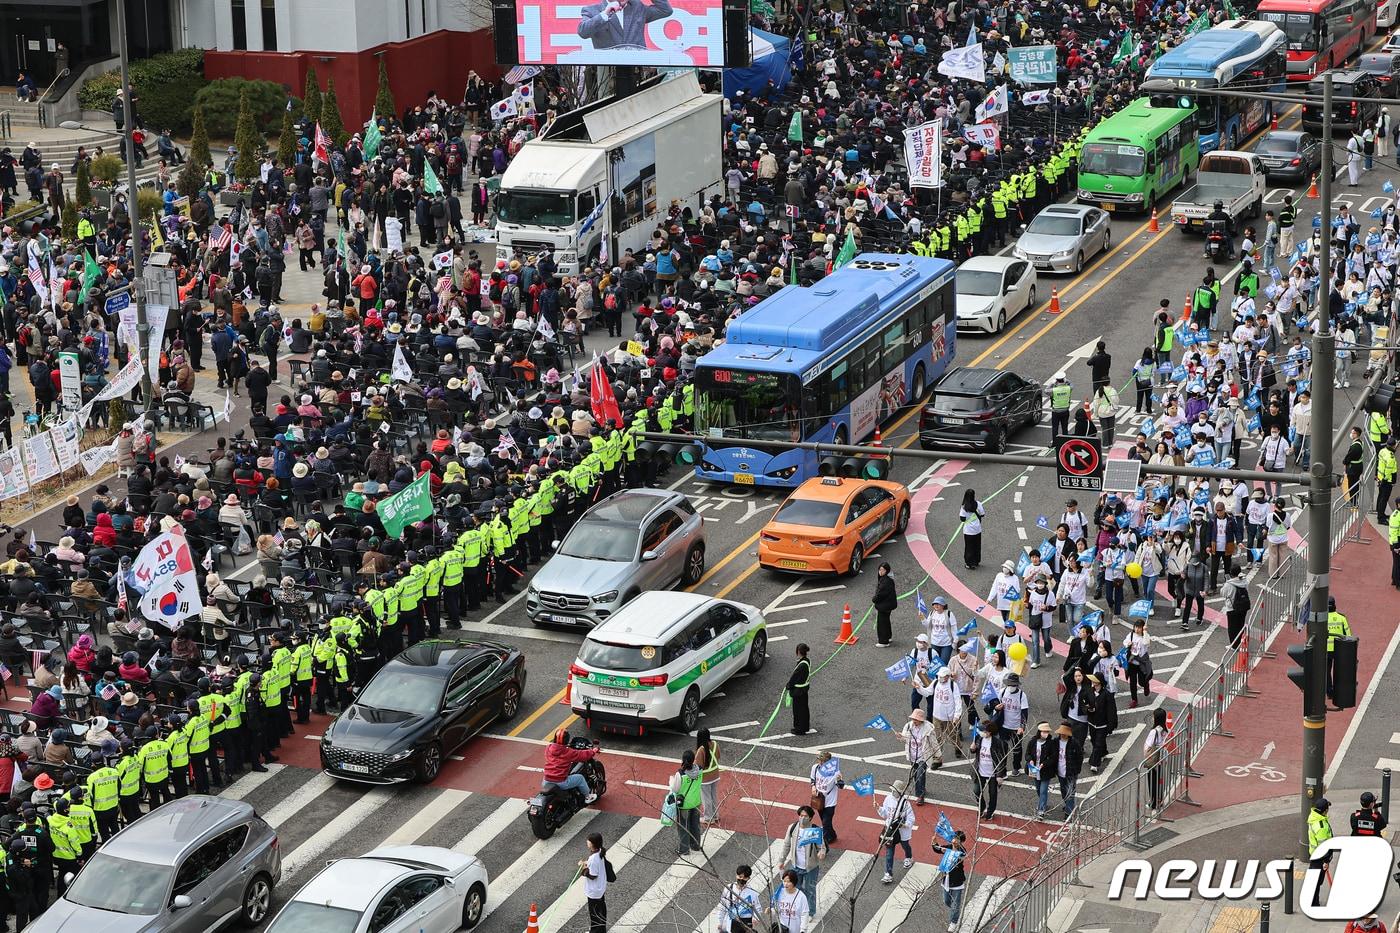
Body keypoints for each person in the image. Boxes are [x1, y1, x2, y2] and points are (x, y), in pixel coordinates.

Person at [779, 805, 825, 918]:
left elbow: (821, 847)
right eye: (801, 815)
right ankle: (801, 908)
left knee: (810, 890)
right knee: (796, 888)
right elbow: (787, 844)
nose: (802, 818)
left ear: (810, 818)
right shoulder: (793, 828)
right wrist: (782, 860)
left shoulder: (814, 830)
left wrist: (821, 852)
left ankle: (810, 912)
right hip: (796, 866)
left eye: (805, 816)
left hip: (810, 867)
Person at [576, 0, 674, 50]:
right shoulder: (592, 10)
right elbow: (583, 32)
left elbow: (665, 10)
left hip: (637, 67)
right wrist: (605, 14)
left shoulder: (637, 7)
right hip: (609, 69)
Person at [542, 729, 598, 803]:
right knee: (580, 778)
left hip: (546, 780)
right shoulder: (568, 752)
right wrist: (593, 751)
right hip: (561, 781)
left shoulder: (548, 748)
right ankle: (588, 797)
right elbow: (583, 755)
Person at [970, 718, 1008, 821]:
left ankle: (990, 812)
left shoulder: (998, 743)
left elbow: (1001, 760)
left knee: (992, 793)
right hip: (980, 770)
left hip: (993, 773)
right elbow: (974, 751)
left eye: (984, 731)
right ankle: (981, 808)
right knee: (977, 791)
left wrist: (999, 775)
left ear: (989, 732)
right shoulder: (978, 738)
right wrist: (972, 748)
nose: (982, 733)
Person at [877, 780, 914, 884]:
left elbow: (911, 818)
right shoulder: (888, 798)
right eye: (893, 791)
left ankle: (909, 857)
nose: (894, 793)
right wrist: (878, 808)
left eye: (896, 791)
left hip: (902, 830)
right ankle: (888, 873)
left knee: (905, 845)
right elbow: (885, 814)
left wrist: (905, 825)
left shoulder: (906, 803)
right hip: (890, 829)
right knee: (889, 851)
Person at [930, 829, 968, 932]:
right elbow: (939, 849)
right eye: (954, 838)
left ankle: (953, 922)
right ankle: (955, 911)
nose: (955, 841)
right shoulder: (948, 847)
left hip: (957, 881)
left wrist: (953, 850)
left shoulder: (962, 851)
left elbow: (961, 856)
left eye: (957, 839)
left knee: (955, 904)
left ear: (961, 841)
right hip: (946, 879)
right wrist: (934, 843)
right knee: (947, 901)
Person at [669, 749, 703, 856]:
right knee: (695, 825)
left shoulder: (680, 774)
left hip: (684, 805)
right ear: (693, 760)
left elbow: (675, 789)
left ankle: (684, 849)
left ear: (683, 760)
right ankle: (696, 845)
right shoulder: (700, 770)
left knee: (684, 826)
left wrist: (671, 780)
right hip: (696, 802)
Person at [715, 865, 761, 933]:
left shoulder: (752, 893)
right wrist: (720, 922)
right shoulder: (728, 889)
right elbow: (722, 906)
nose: (741, 879)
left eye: (745, 878)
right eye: (740, 877)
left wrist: (755, 919)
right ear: (736, 875)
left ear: (748, 878)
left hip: (746, 924)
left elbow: (757, 907)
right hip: (731, 922)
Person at [578, 832, 608, 933]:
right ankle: (602, 930)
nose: (587, 842)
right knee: (601, 910)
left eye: (589, 841)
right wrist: (587, 863)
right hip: (600, 888)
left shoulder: (594, 858)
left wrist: (583, 870)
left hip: (594, 891)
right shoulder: (600, 852)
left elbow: (593, 875)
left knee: (594, 913)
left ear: (593, 844)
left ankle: (595, 931)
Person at [1307, 798, 1335, 906]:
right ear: (1324, 811)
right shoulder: (1321, 826)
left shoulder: (1313, 817)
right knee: (1317, 882)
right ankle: (1314, 904)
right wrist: (1326, 861)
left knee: (1315, 881)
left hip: (1314, 855)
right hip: (1319, 858)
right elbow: (1324, 846)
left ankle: (1313, 902)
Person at [809, 750, 841, 844]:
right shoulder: (815, 768)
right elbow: (812, 779)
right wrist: (813, 787)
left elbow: (841, 786)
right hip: (819, 799)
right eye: (819, 760)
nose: (820, 762)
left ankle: (825, 842)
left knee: (826, 822)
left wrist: (839, 780)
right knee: (824, 820)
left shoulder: (835, 772)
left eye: (823, 761)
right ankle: (833, 835)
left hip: (830, 801)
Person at [1143, 708, 1169, 811]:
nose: (1153, 718)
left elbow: (1148, 745)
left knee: (1152, 781)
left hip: (1153, 759)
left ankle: (1153, 803)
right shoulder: (1164, 730)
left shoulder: (1154, 731)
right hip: (1162, 758)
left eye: (1154, 716)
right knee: (1159, 780)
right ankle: (1160, 800)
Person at [695, 728, 721, 825]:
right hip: (715, 774)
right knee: (713, 795)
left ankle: (708, 818)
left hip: (705, 778)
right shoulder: (715, 744)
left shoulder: (701, 749)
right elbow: (718, 756)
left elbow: (697, 765)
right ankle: (715, 815)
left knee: (706, 798)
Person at [786, 643, 812, 735]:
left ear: (798, 652)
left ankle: (799, 729)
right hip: (804, 690)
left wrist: (788, 686)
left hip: (798, 691)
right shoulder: (807, 661)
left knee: (798, 710)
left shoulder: (801, 665)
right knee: (804, 709)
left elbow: (794, 679)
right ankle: (805, 726)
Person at [959, 489, 985, 570]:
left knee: (969, 547)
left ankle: (969, 563)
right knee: (977, 546)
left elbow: (962, 519)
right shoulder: (978, 504)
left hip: (968, 531)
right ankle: (976, 561)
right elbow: (983, 514)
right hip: (977, 529)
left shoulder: (964, 507)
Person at [872, 562, 897, 647]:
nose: (880, 571)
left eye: (883, 570)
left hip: (884, 606)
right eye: (880, 569)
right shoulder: (888, 580)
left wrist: (874, 599)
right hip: (889, 604)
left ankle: (883, 641)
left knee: (882, 623)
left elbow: (880, 594)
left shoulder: (884, 582)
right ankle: (888, 637)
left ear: (886, 571)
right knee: (886, 621)